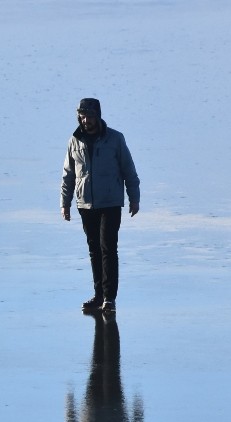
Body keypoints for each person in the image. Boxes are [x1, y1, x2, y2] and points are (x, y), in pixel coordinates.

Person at [60, 97, 140, 312]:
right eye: (82, 116)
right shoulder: (74, 141)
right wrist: (64, 203)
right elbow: (68, 174)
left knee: (108, 248)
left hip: (111, 202)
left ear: (98, 116)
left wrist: (134, 197)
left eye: (89, 116)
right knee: (94, 250)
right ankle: (98, 296)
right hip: (85, 203)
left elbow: (128, 170)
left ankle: (109, 298)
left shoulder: (115, 139)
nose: (86, 120)